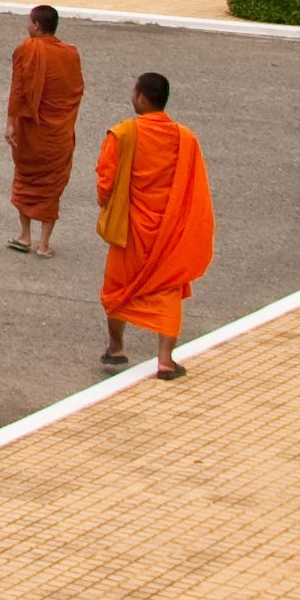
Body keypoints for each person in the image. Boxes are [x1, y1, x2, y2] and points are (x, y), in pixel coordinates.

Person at [97, 70, 215, 380]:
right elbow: (194, 186)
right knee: (167, 289)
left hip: (130, 230)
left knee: (118, 289)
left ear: (141, 98)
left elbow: (106, 181)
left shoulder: (123, 134)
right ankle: (165, 361)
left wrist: (108, 204)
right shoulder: (185, 139)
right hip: (169, 231)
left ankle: (116, 347)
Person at [5, 6, 85, 257]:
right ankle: (44, 243)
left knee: (26, 178)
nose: (27, 26)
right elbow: (76, 91)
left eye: (29, 22)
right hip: (58, 131)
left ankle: (24, 235)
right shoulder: (70, 54)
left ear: (37, 26)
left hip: (31, 130)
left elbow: (18, 90)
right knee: (51, 185)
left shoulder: (27, 49)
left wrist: (10, 122)